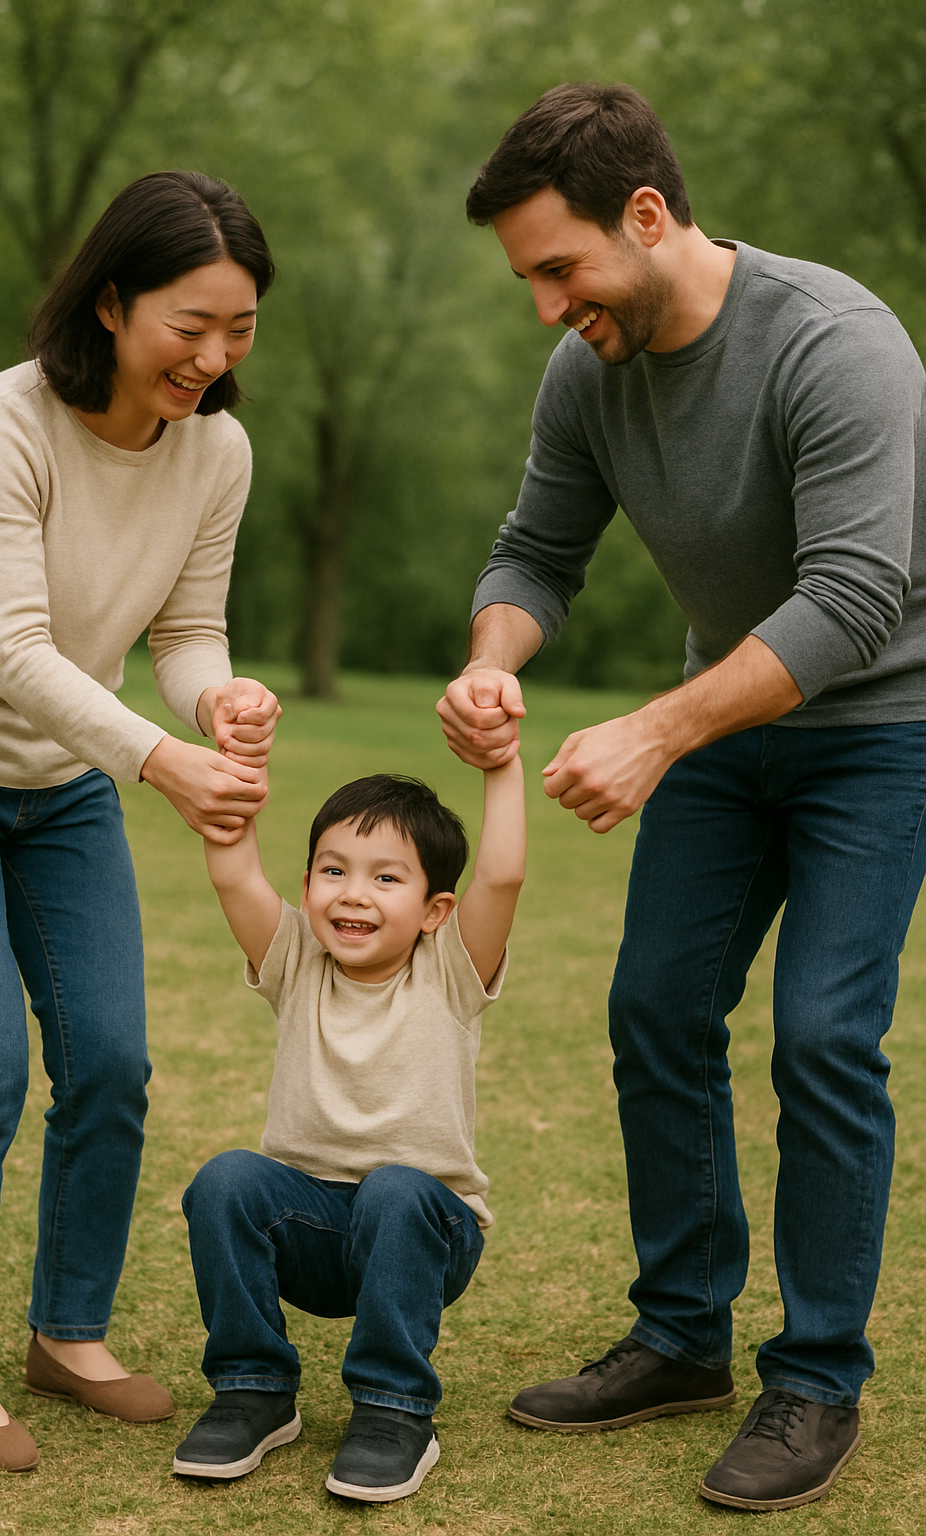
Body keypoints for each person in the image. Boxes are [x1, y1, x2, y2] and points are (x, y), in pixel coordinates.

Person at [437, 81, 926, 1513]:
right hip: (726, 733)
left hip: (883, 728)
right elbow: (537, 551)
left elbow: (854, 597)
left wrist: (655, 731)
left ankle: (816, 1376)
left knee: (824, 1033)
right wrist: (490, 662)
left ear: (646, 215)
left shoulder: (835, 343)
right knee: (656, 1010)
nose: (549, 309)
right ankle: (682, 1337)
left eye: (561, 269)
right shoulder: (588, 370)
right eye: (532, 282)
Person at [0, 171, 282, 1472]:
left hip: (61, 787)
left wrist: (218, 700)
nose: (214, 358)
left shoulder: (216, 452)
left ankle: (66, 1335)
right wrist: (163, 762)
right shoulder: (0, 422)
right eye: (191, 325)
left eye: (239, 329)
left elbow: (185, 629)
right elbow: (14, 651)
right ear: (112, 303)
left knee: (110, 1063)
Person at [174, 763, 525, 1502]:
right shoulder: (297, 961)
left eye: (386, 878)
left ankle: (395, 1410)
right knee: (227, 1179)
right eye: (334, 871)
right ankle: (253, 1390)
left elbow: (502, 876)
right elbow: (234, 875)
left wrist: (501, 763)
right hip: (311, 1225)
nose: (354, 893)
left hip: (424, 1230)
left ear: (435, 910)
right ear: (307, 887)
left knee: (394, 1189)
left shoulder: (450, 970)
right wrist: (238, 761)